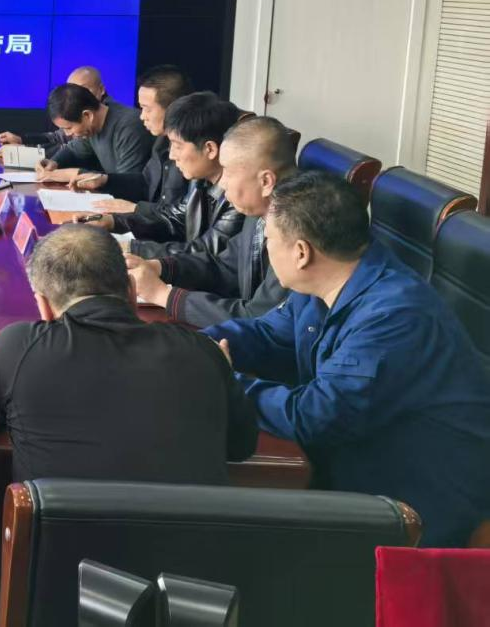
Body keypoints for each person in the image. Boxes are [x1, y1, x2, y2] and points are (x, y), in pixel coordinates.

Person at [204, 171, 490, 548]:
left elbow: (315, 417)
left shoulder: (394, 316)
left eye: (269, 239)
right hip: (355, 467)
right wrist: (196, 347)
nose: (267, 248)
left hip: (412, 509)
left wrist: (223, 381)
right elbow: (267, 335)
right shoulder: (325, 280)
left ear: (301, 252)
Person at [0, 222, 257, 480]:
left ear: (43, 306)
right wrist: (224, 372)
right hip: (187, 549)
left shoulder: (16, 349)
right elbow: (241, 446)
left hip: (58, 549)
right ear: (131, 290)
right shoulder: (202, 352)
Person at [125, 115, 294, 326]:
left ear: (266, 181)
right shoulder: (261, 211)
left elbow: (259, 319)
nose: (223, 183)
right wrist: (160, 267)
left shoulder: (295, 231)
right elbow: (223, 267)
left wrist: (163, 296)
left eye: (229, 173)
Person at [81, 92, 244, 259]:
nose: (172, 155)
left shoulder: (240, 197)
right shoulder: (201, 180)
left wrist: (131, 247)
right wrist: (113, 221)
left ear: (210, 149)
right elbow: (174, 219)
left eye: (177, 146)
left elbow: (205, 251)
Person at [70, 65, 193, 207]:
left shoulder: (192, 150)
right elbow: (145, 183)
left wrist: (134, 209)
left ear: (174, 108)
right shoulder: (161, 142)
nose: (142, 116)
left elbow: (179, 214)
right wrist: (105, 180)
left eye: (147, 109)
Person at [34, 82, 154, 181]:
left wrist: (68, 175)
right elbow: (73, 150)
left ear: (87, 115)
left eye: (69, 128)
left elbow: (128, 183)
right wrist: (54, 162)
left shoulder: (130, 127)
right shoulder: (91, 128)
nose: (67, 134)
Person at [0, 64, 108, 150]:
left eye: (83, 90)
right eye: (71, 91)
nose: (76, 97)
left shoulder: (102, 117)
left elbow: (72, 150)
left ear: (101, 89)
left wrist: (24, 150)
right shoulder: (75, 113)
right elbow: (58, 138)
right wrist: (21, 140)